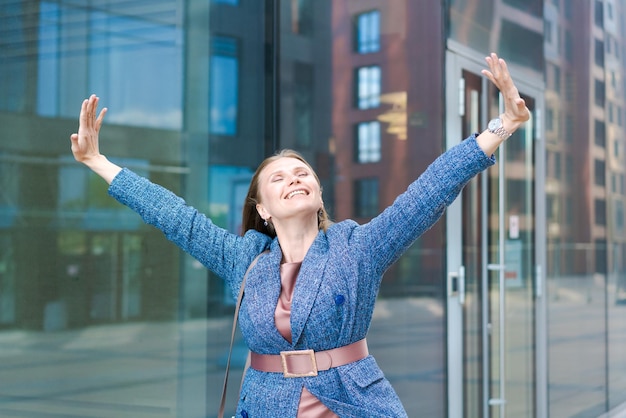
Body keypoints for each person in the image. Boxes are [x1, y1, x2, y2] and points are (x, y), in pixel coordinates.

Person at [70, 53, 530, 417]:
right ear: (262, 210)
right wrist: (97, 162)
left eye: (301, 172)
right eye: (278, 178)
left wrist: (502, 125)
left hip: (351, 403)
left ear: (317, 190)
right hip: (267, 407)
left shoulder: (357, 247)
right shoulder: (244, 259)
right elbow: (175, 216)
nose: (293, 178)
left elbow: (430, 191)